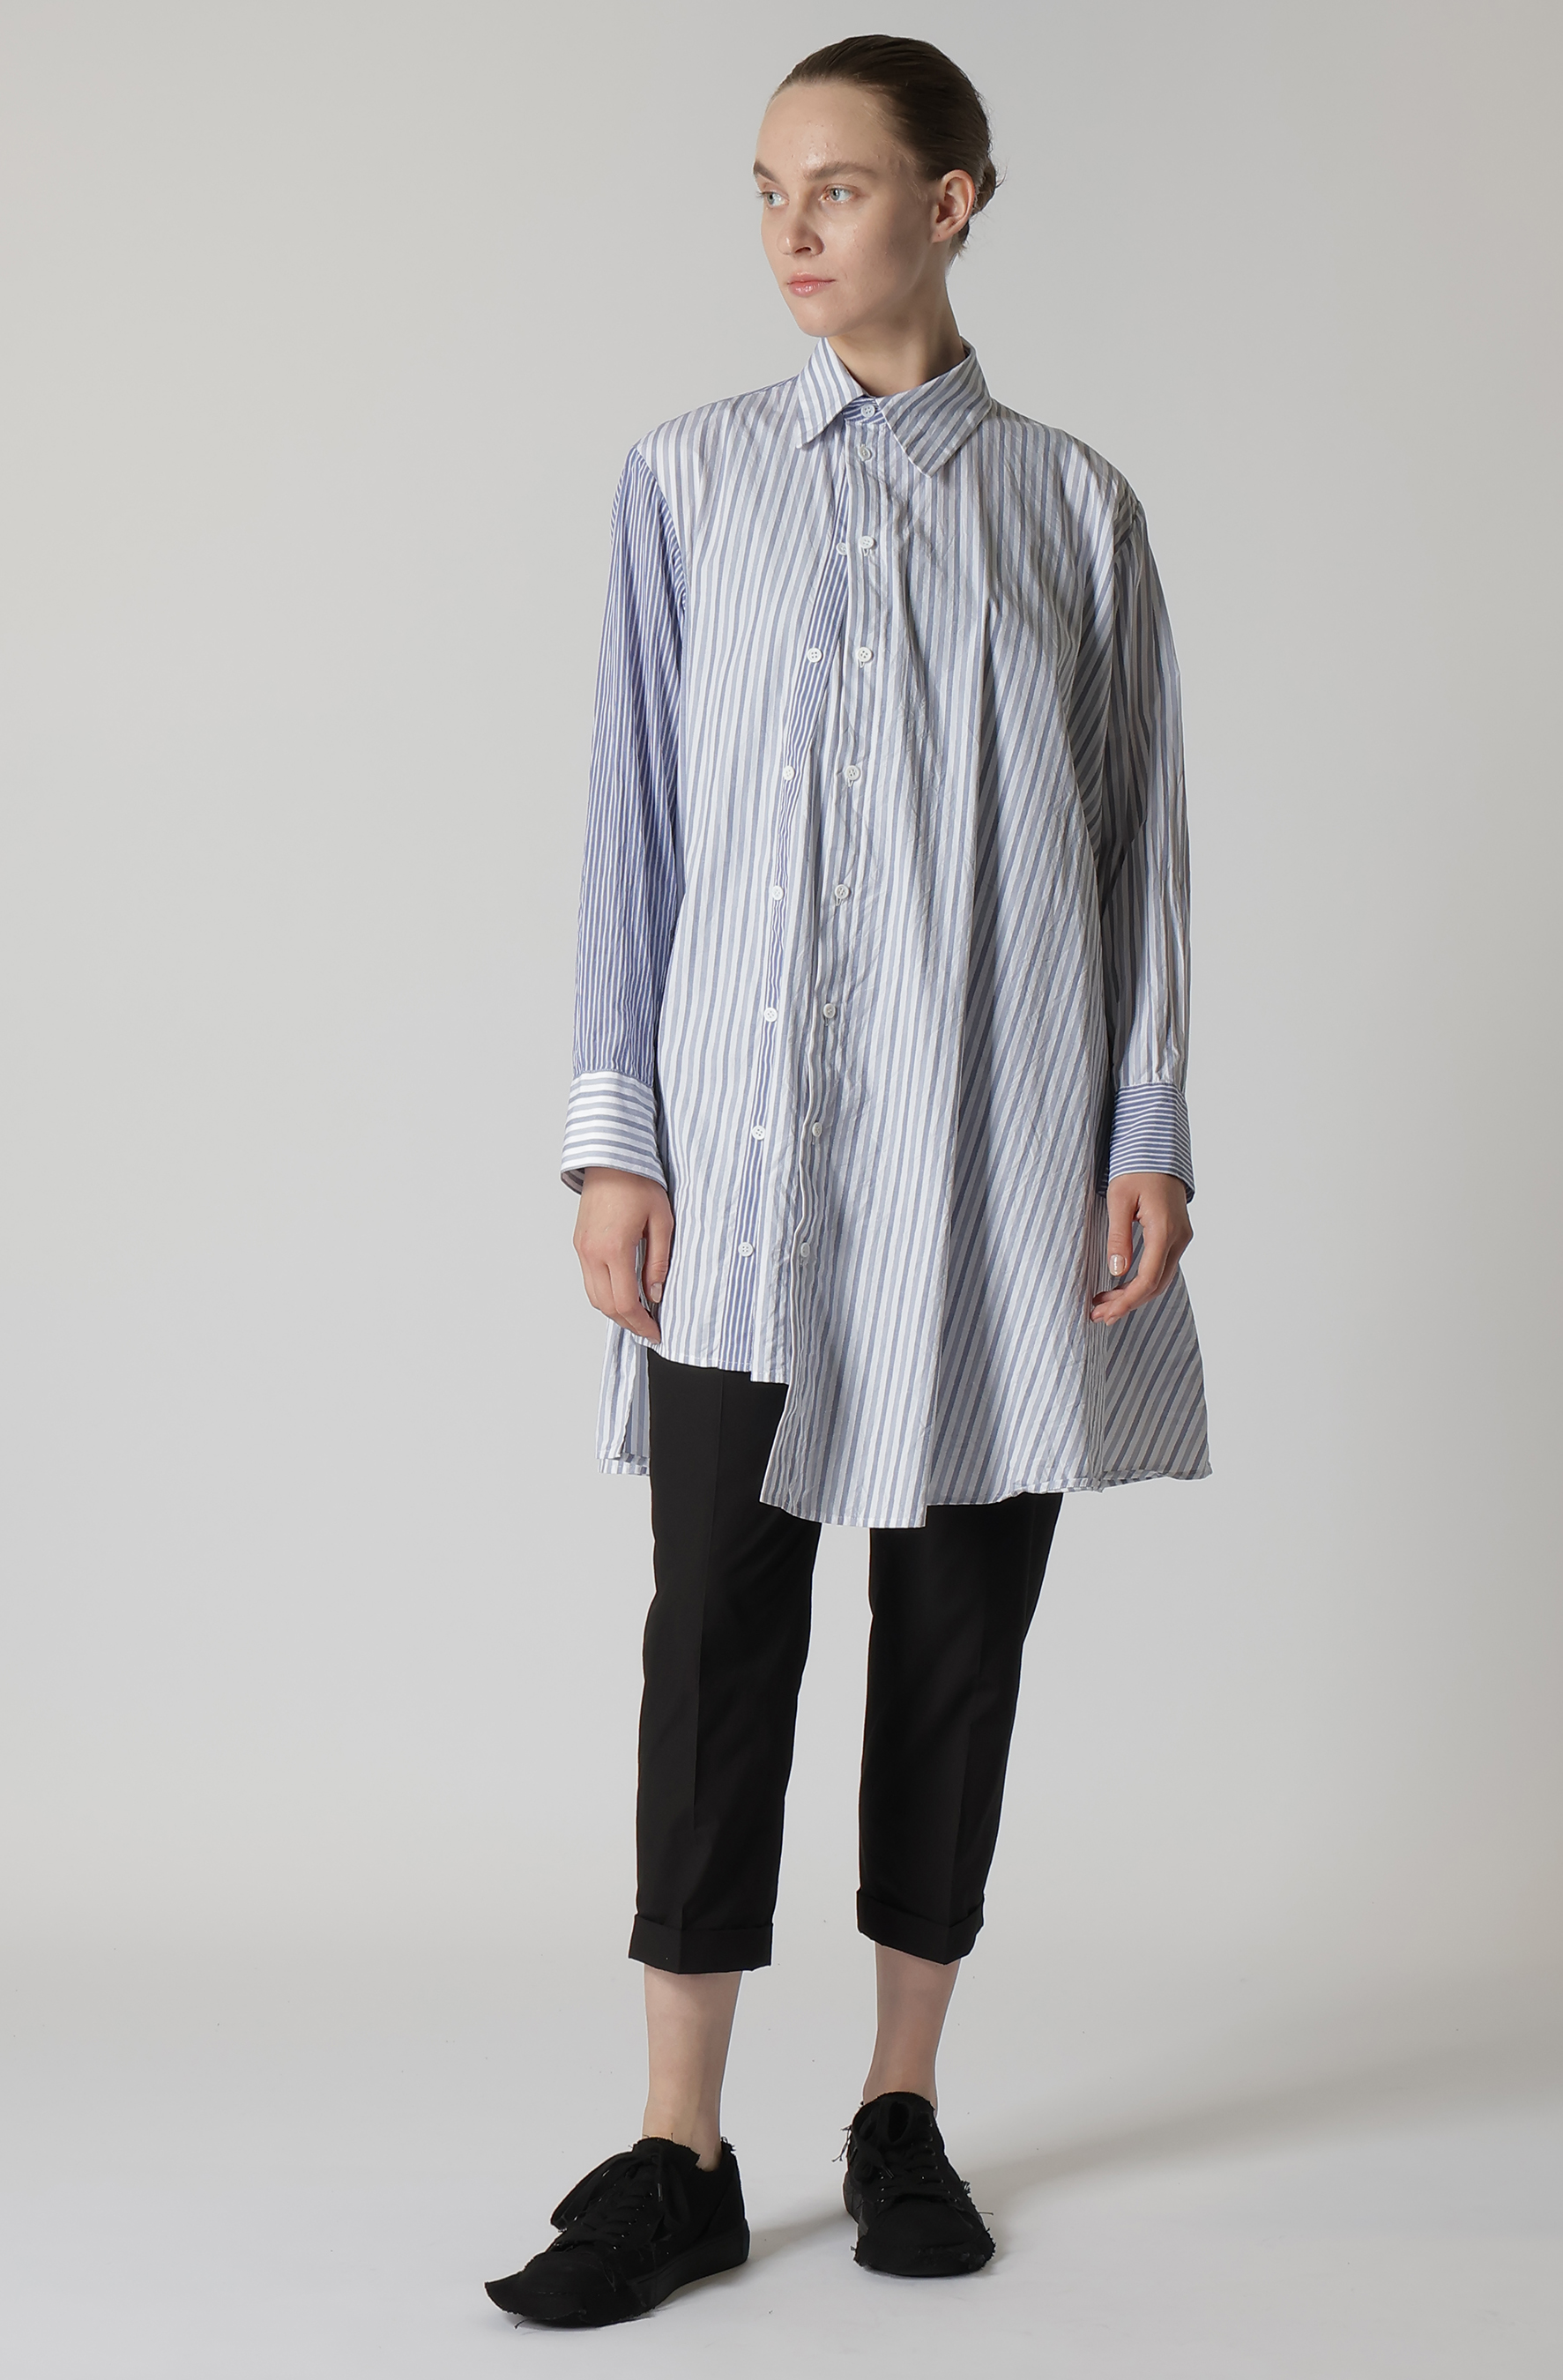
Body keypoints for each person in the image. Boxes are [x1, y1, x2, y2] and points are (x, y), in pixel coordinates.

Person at [486, 33, 1209, 2330]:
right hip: (741, 1171)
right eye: (767, 191)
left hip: (994, 1156)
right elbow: (632, 821)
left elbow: (1137, 837)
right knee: (715, 1637)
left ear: (953, 200)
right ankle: (677, 2145)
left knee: (958, 1630)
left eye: (844, 187)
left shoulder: (1074, 510)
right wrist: (616, 1135)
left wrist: (1143, 1128)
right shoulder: (689, 481)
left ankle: (900, 2105)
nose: (794, 231)